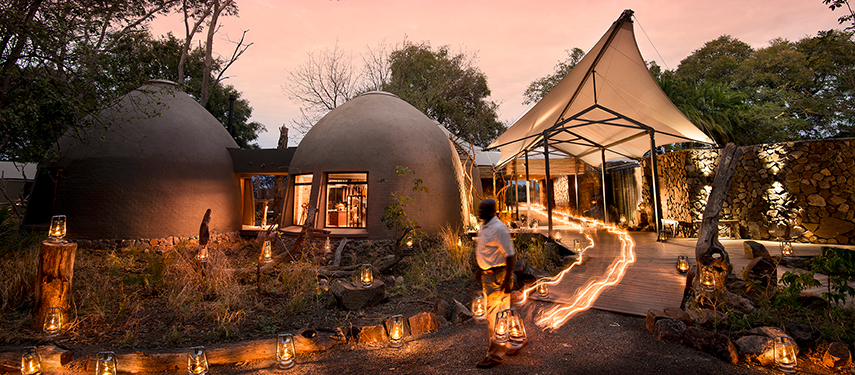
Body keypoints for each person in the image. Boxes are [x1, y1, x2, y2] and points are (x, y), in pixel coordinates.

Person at [474, 198, 520, 368]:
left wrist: (507, 280)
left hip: (498, 277)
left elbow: (509, 255)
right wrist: (481, 269)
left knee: (494, 315)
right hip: (489, 276)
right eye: (480, 208)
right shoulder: (485, 225)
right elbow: (487, 250)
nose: (480, 211)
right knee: (502, 312)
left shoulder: (499, 228)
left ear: (493, 211)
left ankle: (495, 356)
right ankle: (515, 341)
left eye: (484, 209)